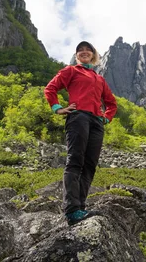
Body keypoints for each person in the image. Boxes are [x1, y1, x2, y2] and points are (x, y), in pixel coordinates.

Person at [44, 41, 117, 226]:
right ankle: (71, 210)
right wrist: (57, 108)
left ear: (93, 55)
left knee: (90, 164)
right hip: (78, 117)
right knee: (75, 160)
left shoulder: (99, 79)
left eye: (88, 50)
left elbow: (111, 103)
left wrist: (106, 118)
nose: (84, 52)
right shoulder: (70, 71)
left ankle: (81, 207)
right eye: (80, 50)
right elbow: (50, 88)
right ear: (76, 55)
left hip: (96, 122)